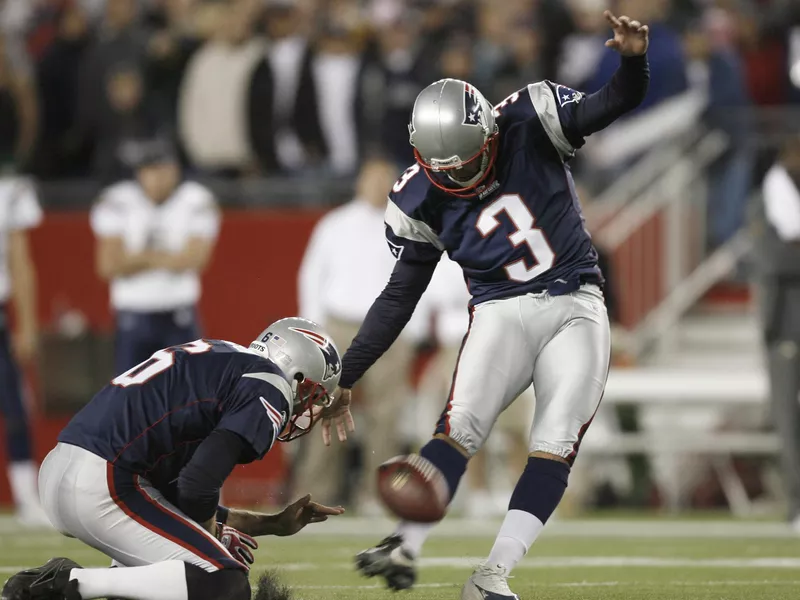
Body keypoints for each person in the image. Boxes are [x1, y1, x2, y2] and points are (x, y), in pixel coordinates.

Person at [320, 10, 650, 599]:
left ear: (488, 135)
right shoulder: (420, 195)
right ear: (422, 154)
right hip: (499, 309)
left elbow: (614, 102)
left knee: (555, 439)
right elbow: (400, 295)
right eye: (445, 170)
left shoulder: (529, 118)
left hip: (576, 301)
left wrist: (631, 60)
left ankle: (492, 574)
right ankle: (405, 543)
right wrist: (349, 372)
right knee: (459, 426)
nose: (461, 178)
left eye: (470, 162)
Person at [1, 318, 346, 600]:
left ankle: (82, 584)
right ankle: (70, 583)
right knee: (226, 584)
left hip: (70, 471)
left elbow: (178, 494)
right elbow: (199, 485)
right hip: (103, 483)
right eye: (312, 396)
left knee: (167, 585)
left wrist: (271, 525)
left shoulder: (220, 361)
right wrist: (214, 538)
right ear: (298, 376)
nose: (306, 409)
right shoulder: (270, 384)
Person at [296, 158, 417, 514]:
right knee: (323, 410)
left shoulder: (406, 223)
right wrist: (314, 329)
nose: (379, 185)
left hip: (387, 330)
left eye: (385, 178)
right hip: (339, 326)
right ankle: (315, 491)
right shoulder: (334, 224)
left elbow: (418, 276)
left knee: (386, 416)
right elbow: (312, 274)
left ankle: (377, 494)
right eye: (373, 178)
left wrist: (412, 328)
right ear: (359, 182)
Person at [90, 138, 219, 375]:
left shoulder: (196, 199)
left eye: (163, 168)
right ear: (139, 172)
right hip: (132, 316)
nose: (157, 176)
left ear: (175, 169)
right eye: (150, 169)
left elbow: (195, 260)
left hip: (179, 314)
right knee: (130, 398)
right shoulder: (117, 200)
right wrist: (167, 258)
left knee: (191, 395)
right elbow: (108, 265)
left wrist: (135, 258)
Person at [755, 134, 800, 531]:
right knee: (788, 418)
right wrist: (769, 330)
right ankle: (798, 505)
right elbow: (778, 259)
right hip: (788, 326)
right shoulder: (772, 195)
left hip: (785, 323)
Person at [0, 177, 48, 527]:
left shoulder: (10, 191)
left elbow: (20, 261)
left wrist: (27, 324)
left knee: (15, 407)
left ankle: (26, 498)